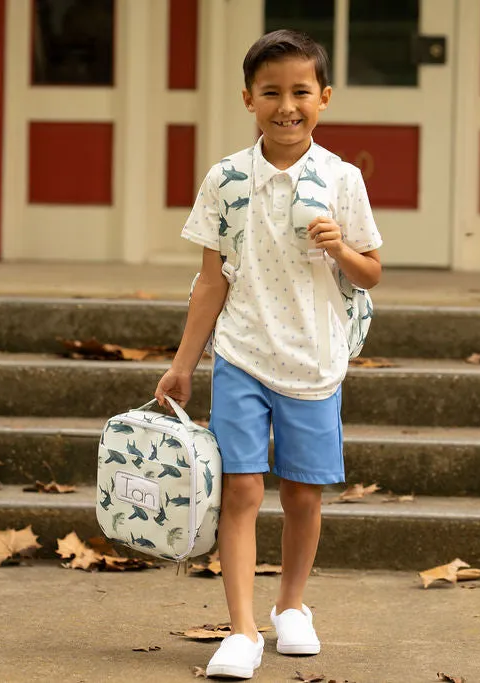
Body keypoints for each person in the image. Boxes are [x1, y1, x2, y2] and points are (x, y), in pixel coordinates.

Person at [154, 29, 383, 680]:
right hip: (243, 352)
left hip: (314, 358)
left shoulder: (342, 179)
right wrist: (182, 363)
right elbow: (211, 279)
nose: (287, 105)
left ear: (325, 97)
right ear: (248, 99)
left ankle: (292, 608)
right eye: (272, 92)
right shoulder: (226, 179)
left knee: (305, 494)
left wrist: (340, 249)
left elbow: (370, 273)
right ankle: (243, 628)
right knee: (243, 489)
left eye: (301, 92)